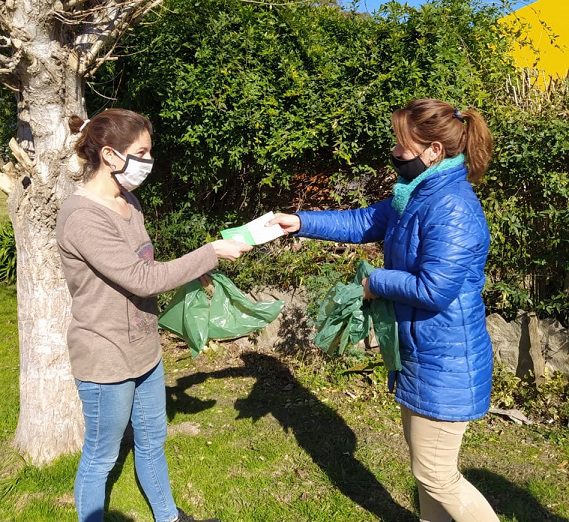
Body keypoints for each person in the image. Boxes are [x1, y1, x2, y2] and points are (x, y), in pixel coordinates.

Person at [269, 98, 499, 522]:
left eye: (402, 144)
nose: (394, 153)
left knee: (437, 475)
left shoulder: (453, 208)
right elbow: (361, 223)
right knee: (426, 471)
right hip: (419, 353)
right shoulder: (414, 195)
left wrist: (376, 282)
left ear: (433, 151)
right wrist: (299, 222)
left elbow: (434, 289)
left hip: (446, 360)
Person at [56, 108, 251, 522]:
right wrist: (209, 254)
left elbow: (148, 265)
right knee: (101, 456)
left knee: (152, 441)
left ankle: (169, 517)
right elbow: (141, 279)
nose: (149, 161)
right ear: (110, 155)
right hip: (106, 357)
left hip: (145, 349)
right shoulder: (82, 218)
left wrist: (194, 276)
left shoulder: (128, 200)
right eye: (141, 152)